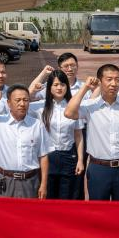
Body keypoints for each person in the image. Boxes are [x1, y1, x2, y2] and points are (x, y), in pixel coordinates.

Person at [65, 64, 119, 201]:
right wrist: (85, 87)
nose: (114, 84)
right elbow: (69, 112)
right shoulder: (90, 105)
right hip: (99, 169)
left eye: (117, 79)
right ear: (100, 82)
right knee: (98, 210)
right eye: (109, 79)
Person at [40, 70, 85, 200]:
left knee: (67, 196)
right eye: (55, 85)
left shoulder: (73, 107)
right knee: (49, 196)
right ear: (49, 87)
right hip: (48, 157)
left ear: (67, 86)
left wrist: (80, 160)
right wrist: (42, 75)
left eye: (62, 84)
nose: (59, 88)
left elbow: (78, 135)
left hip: (68, 156)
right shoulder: (40, 107)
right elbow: (25, 95)